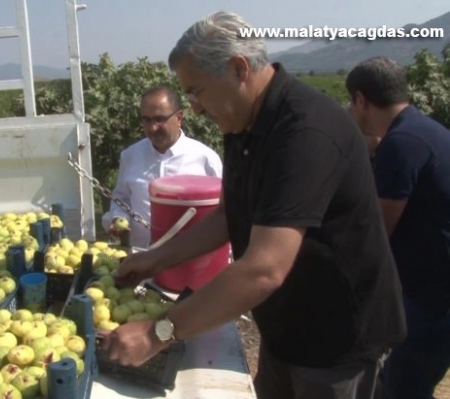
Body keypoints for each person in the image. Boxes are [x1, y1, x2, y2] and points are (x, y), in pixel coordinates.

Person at [100, 10, 407, 399]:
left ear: (239, 69)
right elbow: (230, 215)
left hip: (338, 340)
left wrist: (159, 331)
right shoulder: (242, 122)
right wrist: (157, 258)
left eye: (196, 91)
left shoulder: (305, 132)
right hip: (287, 326)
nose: (193, 107)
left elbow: (264, 268)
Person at [346, 56, 450, 399]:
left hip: (431, 298)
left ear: (361, 100)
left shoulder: (401, 144)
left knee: (402, 388)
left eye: (351, 102)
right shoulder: (424, 131)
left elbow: (375, 233)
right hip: (436, 291)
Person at [101, 85, 223, 248]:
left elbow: (223, 212)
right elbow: (122, 198)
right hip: (142, 258)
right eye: (146, 120)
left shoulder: (205, 159)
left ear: (179, 117)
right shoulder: (130, 156)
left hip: (191, 260)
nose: (152, 128)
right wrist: (117, 217)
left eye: (160, 119)